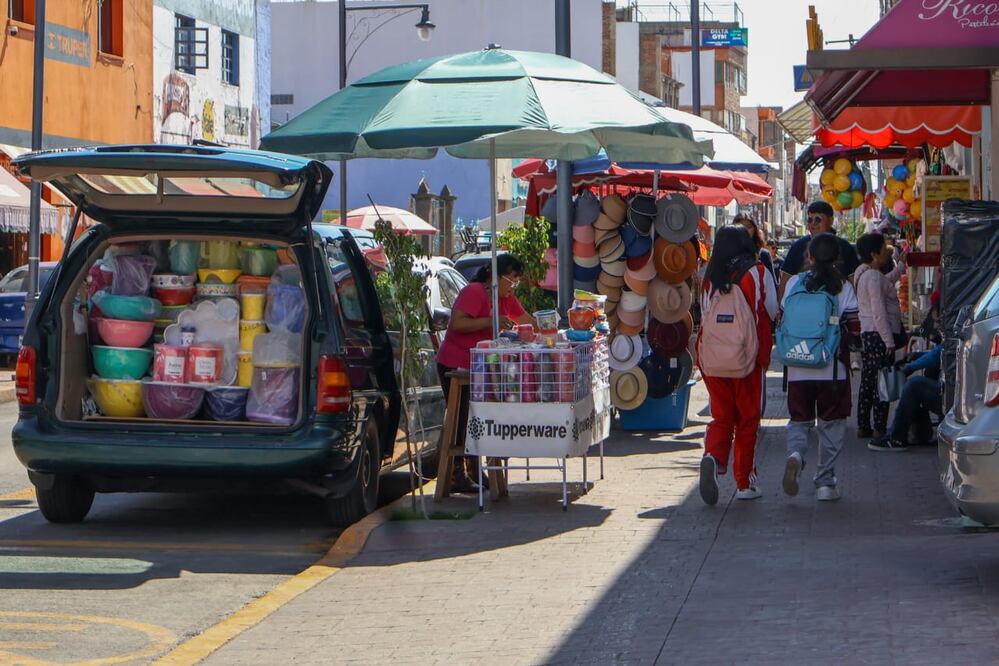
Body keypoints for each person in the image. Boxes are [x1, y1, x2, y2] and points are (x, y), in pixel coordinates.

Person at [436, 254, 535, 492]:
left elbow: (525, 319)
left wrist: (548, 329)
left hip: (480, 367)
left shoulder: (506, 298)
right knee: (461, 420)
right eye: (510, 279)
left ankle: (474, 471)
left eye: (516, 281)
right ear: (495, 276)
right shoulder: (475, 292)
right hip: (455, 365)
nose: (513, 285)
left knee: (478, 418)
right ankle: (455, 475)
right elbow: (458, 323)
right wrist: (490, 322)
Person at [697, 225, 777, 504]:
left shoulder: (709, 275)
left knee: (722, 415)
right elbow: (771, 310)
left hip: (712, 357)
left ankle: (713, 457)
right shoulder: (756, 272)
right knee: (747, 419)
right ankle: (744, 482)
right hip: (746, 356)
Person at [781, 233, 861, 502]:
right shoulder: (842, 287)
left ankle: (796, 454)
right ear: (837, 257)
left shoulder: (794, 282)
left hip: (796, 365)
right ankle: (825, 482)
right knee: (832, 424)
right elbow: (855, 327)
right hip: (832, 368)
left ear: (809, 256)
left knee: (799, 421)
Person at [854, 233, 908, 444]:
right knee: (881, 382)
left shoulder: (864, 273)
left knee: (868, 380)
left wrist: (900, 268)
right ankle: (879, 427)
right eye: (883, 248)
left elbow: (885, 284)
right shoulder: (873, 276)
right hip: (879, 334)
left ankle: (863, 425)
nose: (887, 251)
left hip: (869, 333)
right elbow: (879, 311)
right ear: (874, 254)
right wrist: (889, 341)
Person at [779, 201, 861, 299]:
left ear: (830, 220)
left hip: (840, 306)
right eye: (810, 220)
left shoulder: (845, 247)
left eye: (818, 219)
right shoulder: (798, 247)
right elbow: (785, 280)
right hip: (805, 305)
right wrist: (780, 309)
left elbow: (854, 281)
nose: (813, 223)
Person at [873, 346, 943, 450]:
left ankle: (896, 437)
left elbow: (939, 353)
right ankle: (921, 434)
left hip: (952, 398)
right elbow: (939, 352)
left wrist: (911, 367)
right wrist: (917, 356)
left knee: (914, 386)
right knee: (922, 382)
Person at [734, 213, 775, 279]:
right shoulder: (728, 252)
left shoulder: (763, 254)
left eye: (749, 227)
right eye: (740, 226)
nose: (745, 230)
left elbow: (772, 284)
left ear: (754, 230)